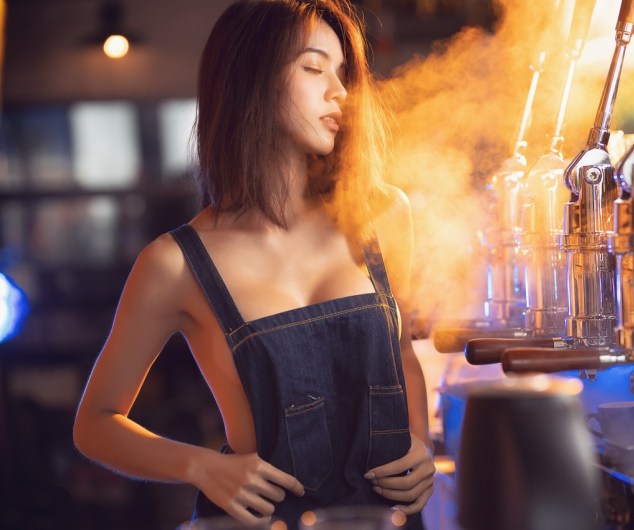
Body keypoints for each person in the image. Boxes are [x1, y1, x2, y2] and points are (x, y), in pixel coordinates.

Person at [72, 1, 435, 528]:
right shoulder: (174, 263)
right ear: (251, 80)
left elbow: (401, 353)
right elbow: (95, 423)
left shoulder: (380, 214)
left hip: (388, 520)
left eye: (342, 74)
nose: (340, 92)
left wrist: (418, 442)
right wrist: (200, 467)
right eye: (314, 68)